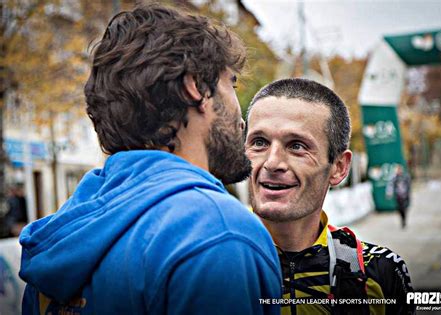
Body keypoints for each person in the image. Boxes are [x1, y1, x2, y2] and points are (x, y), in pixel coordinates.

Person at [18, 5, 282, 315]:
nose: (241, 117)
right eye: (232, 84)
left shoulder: (64, 234)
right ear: (195, 87)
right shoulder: (217, 234)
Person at [245, 78, 415, 315]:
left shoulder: (379, 271)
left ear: (338, 167)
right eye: (259, 142)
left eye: (296, 146)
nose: (272, 162)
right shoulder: (206, 259)